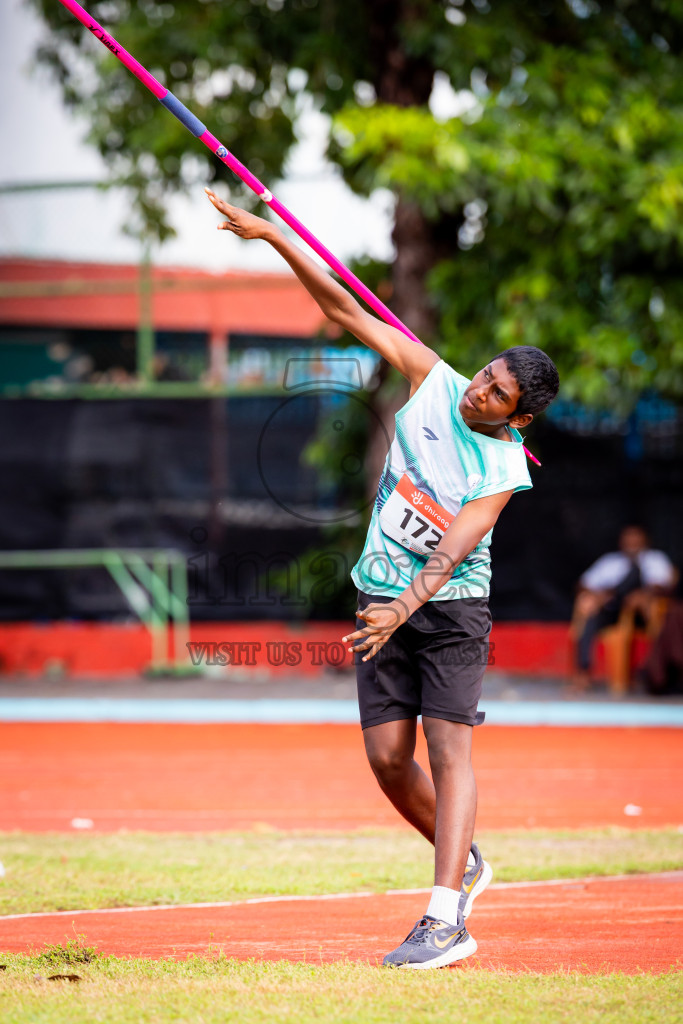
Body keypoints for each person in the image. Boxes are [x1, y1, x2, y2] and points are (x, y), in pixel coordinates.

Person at [205, 187, 560, 969]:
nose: (479, 388)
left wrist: (404, 607)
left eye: (497, 392)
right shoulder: (432, 378)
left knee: (446, 750)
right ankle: (464, 857)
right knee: (385, 761)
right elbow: (340, 309)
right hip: (379, 601)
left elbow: (453, 549)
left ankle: (444, 919)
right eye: (487, 373)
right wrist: (269, 236)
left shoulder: (502, 467)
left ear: (519, 417)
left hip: (448, 611)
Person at [572, 525, 677, 691]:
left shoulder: (655, 559)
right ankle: (583, 672)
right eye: (628, 538)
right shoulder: (610, 561)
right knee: (588, 611)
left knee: (642, 599)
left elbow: (666, 584)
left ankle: (657, 673)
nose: (632, 542)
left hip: (643, 613)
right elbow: (584, 583)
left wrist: (644, 594)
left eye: (636, 538)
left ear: (645, 540)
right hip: (612, 609)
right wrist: (597, 596)